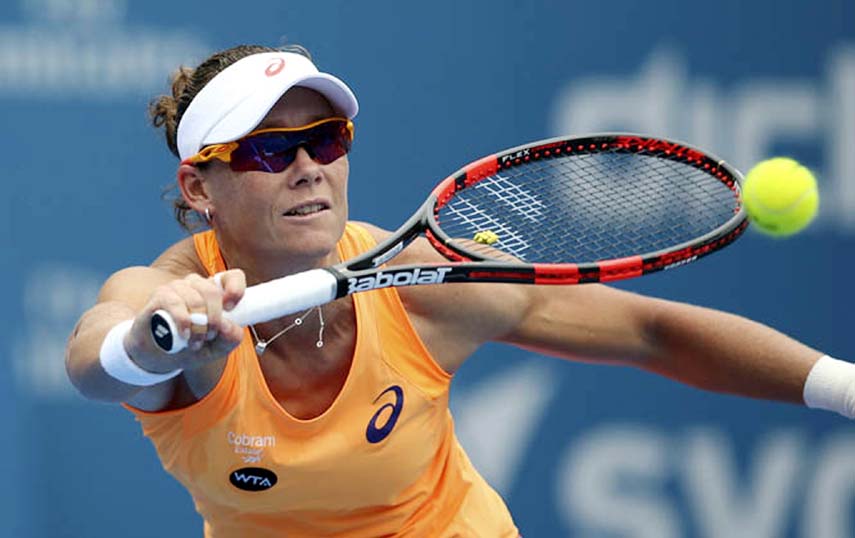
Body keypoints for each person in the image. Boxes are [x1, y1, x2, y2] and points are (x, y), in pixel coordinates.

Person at [64, 43, 853, 538]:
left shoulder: (431, 286)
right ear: (197, 188)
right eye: (269, 151)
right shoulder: (165, 292)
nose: (308, 167)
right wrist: (146, 340)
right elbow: (93, 361)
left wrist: (844, 389)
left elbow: (652, 333)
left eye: (325, 140)